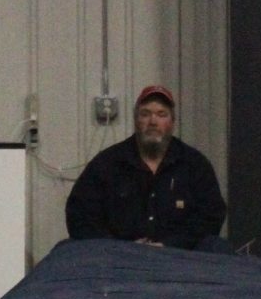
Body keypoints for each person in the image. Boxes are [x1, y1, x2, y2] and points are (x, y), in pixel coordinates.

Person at [65, 83, 226, 250]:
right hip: (117, 260)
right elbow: (79, 216)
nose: (153, 121)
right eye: (145, 114)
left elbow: (212, 217)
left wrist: (169, 245)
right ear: (136, 120)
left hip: (180, 258)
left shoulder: (195, 165)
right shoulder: (107, 164)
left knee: (218, 247)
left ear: (172, 122)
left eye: (161, 114)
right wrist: (120, 247)